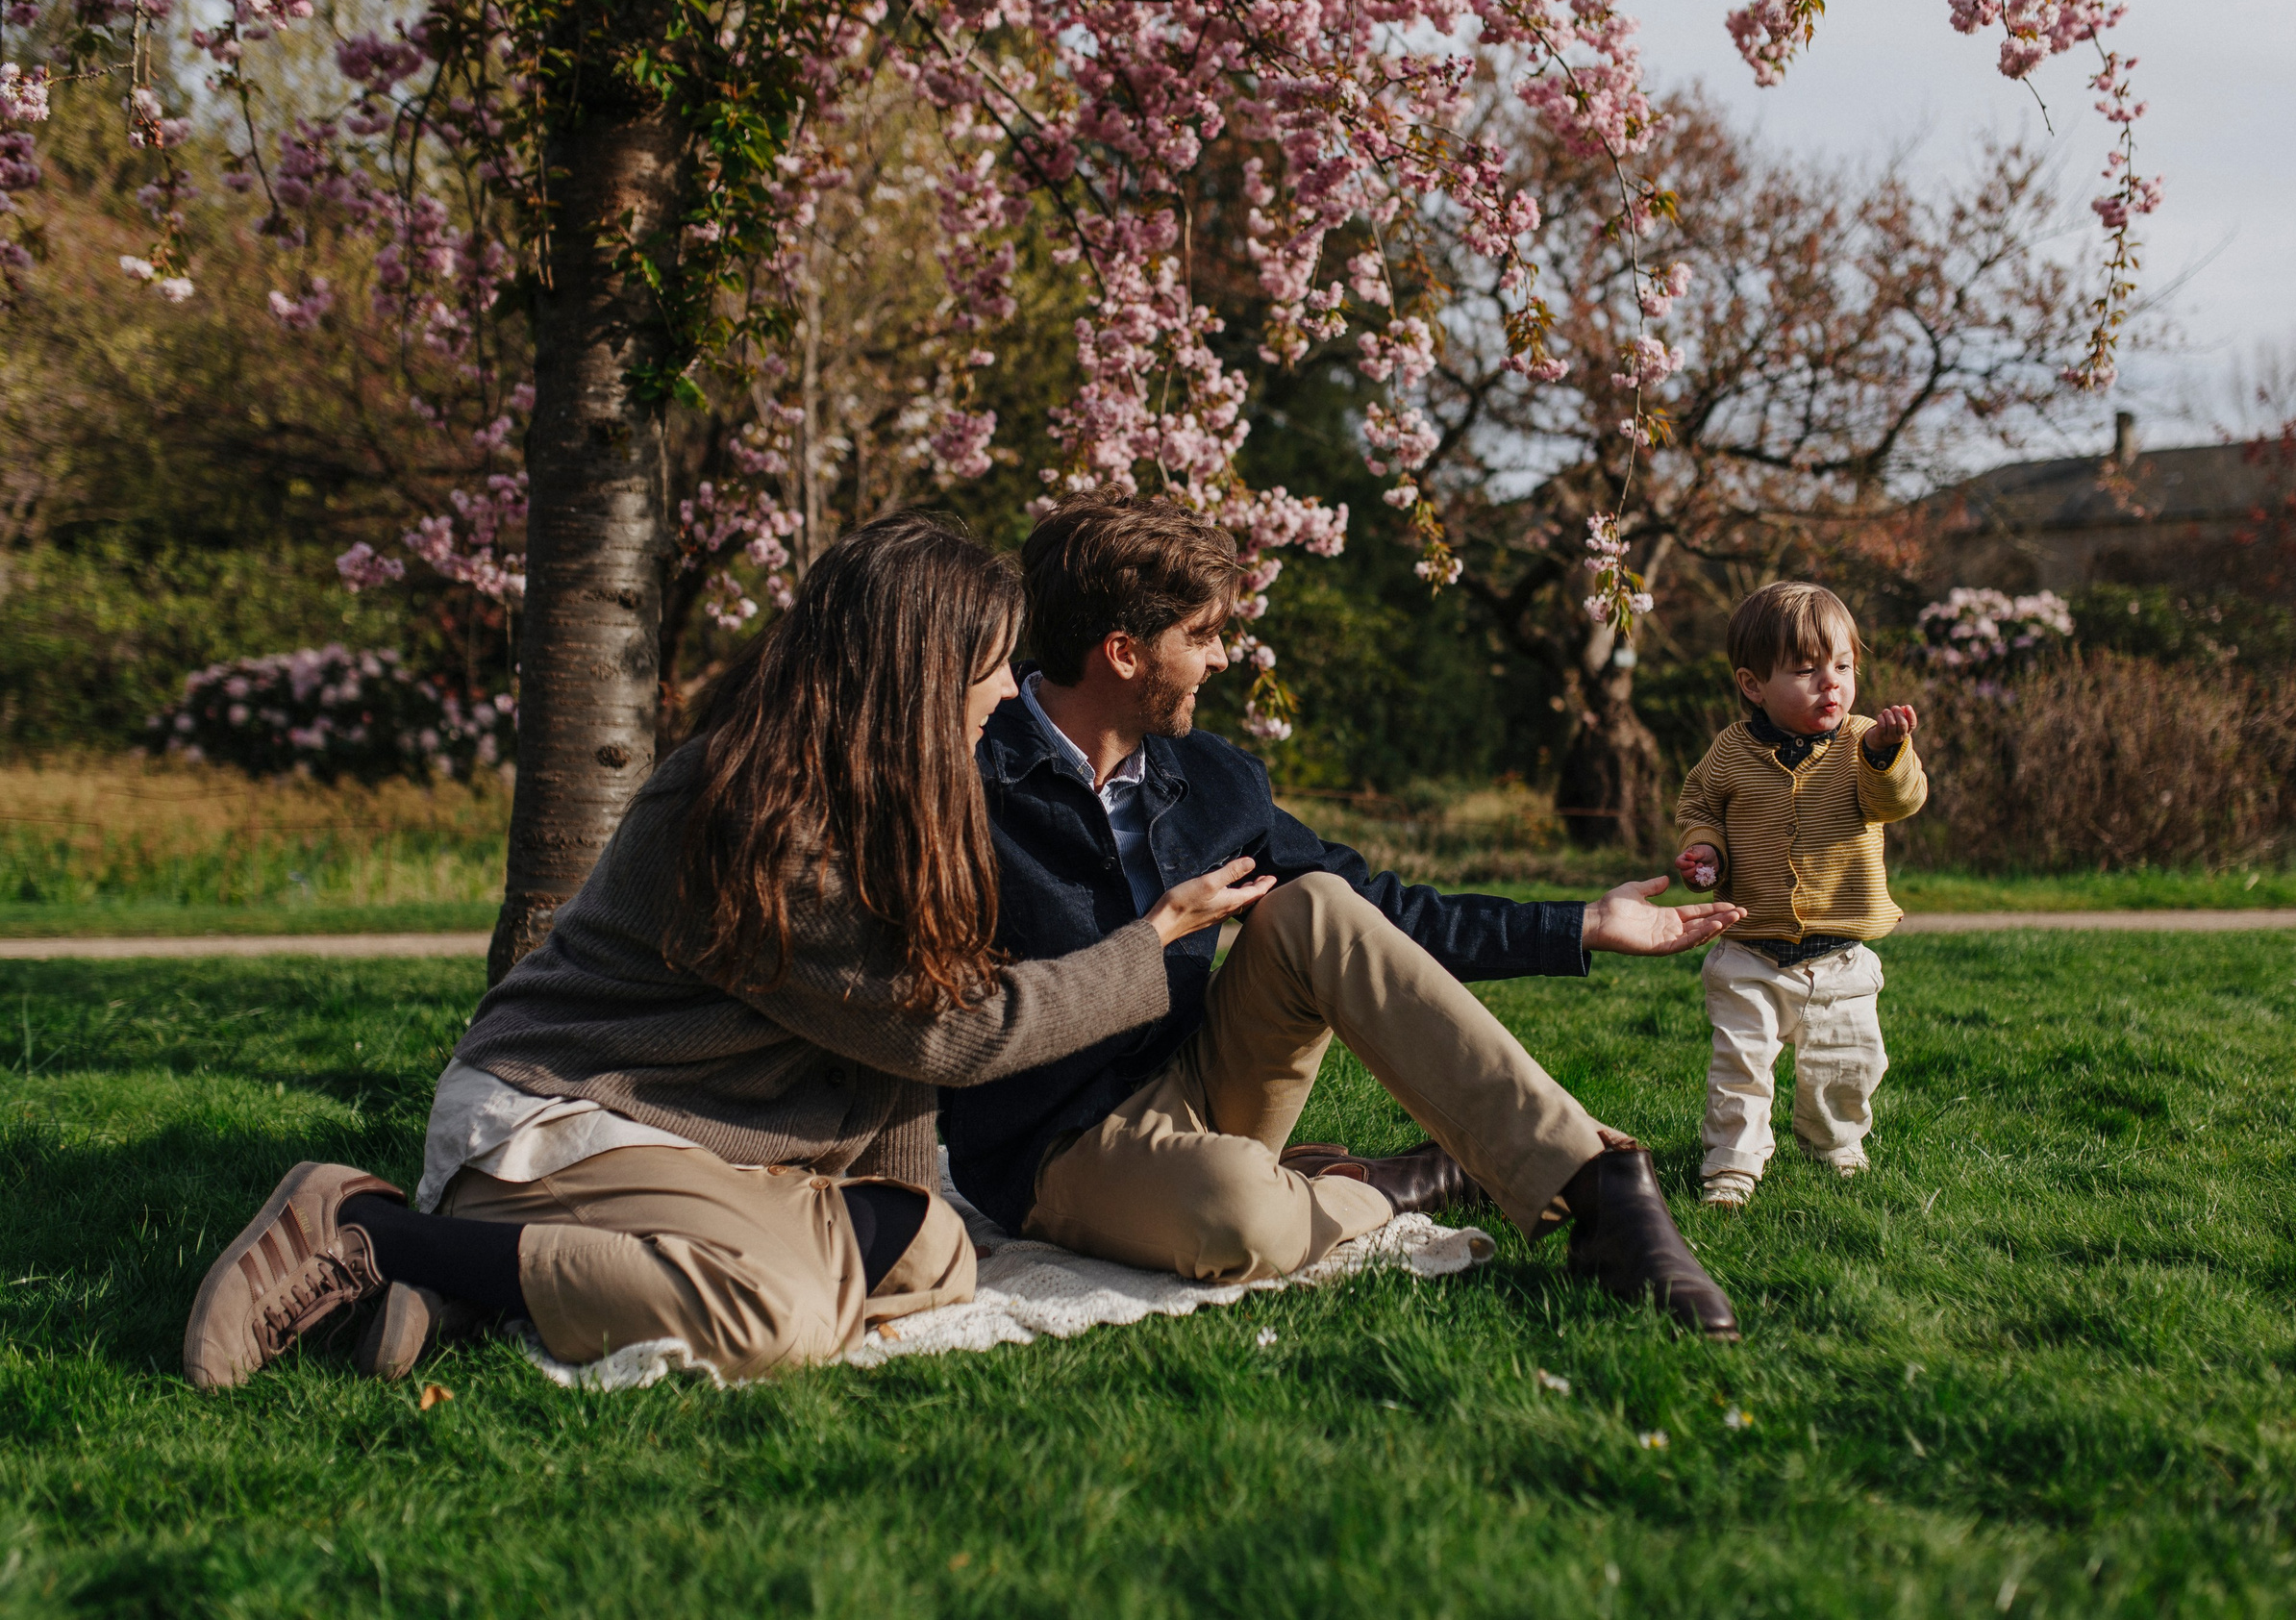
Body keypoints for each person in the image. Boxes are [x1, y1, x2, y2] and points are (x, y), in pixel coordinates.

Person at [184, 515, 1273, 1390]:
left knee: (934, 1253)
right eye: (989, 666)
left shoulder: (893, 798)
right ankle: (376, 1231)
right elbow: (946, 1028)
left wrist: (915, 1221)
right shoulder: (758, 811)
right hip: (587, 1111)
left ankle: (494, 1285)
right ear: (916, 669)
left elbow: (901, 1037)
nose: (1004, 692)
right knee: (782, 1311)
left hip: (724, 1147)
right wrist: (1152, 941)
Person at [950, 491, 1752, 1337]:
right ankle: (1378, 1185)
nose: (1223, 659)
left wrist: (1582, 922)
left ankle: (1595, 1185)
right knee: (1242, 1218)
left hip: (1202, 1079)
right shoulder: (966, 771)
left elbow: (1379, 913)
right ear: (1121, 652)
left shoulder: (1216, 779)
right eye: (1202, 636)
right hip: (1056, 1143)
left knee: (1318, 904)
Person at [1671, 581, 1929, 1210]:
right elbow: (1698, 804)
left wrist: (1886, 755)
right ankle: (1731, 1166)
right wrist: (1706, 850)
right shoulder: (1730, 752)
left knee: (1846, 1062)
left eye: (1843, 666)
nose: (1831, 683)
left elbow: (1900, 800)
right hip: (1749, 949)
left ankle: (1834, 1142)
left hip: (1840, 952)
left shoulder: (1862, 744)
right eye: (1807, 670)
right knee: (1740, 1067)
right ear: (1753, 684)